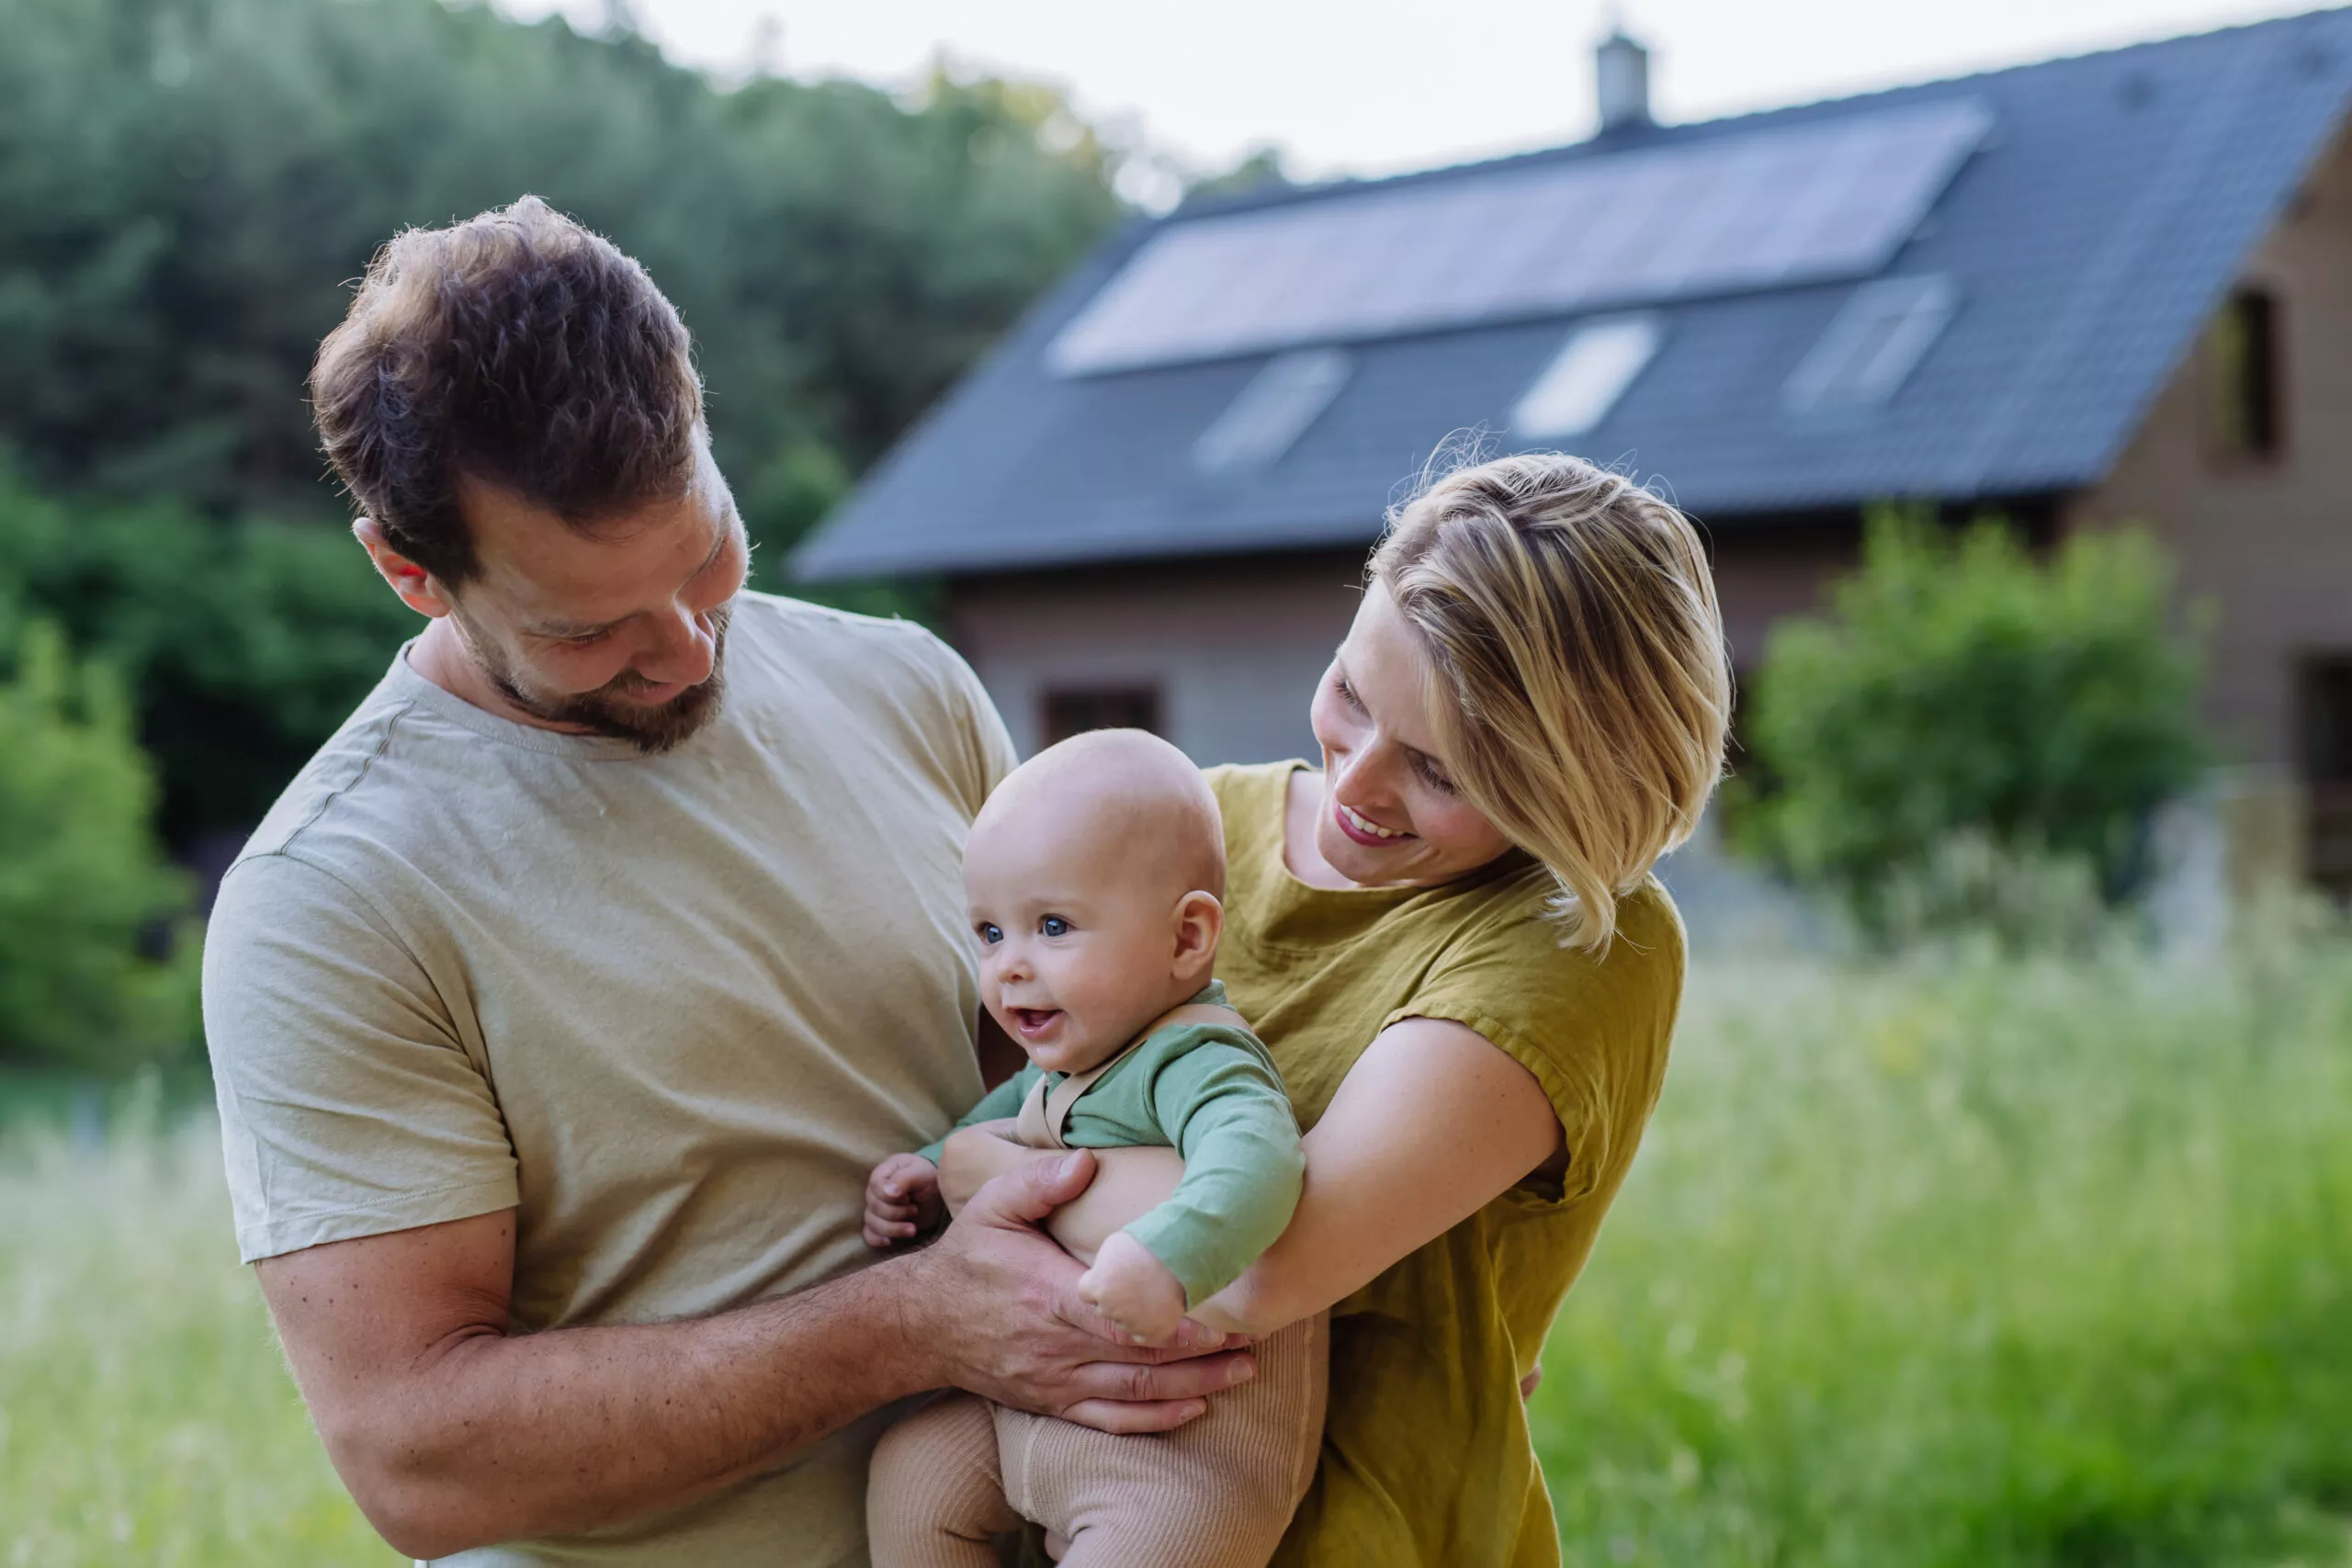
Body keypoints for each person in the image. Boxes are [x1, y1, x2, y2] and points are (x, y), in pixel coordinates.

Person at [198, 197, 1251, 1568]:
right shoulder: (331, 900)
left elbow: (1100, 1084)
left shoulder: (910, 685)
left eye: (707, 555)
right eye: (590, 629)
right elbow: (419, 1453)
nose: (691, 650)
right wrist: (913, 1319)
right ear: (412, 573)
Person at [938, 451, 1733, 1567]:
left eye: (1442, 773)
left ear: (1577, 783)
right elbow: (1023, 1074)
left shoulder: (1580, 939)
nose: (1356, 785)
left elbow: (1262, 1265)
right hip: (1050, 1500)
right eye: (1352, 694)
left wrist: (980, 1176)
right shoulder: (1190, 820)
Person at [862, 729, 1322, 1568]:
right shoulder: (1071, 1063)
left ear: (1187, 938)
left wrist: (1168, 1256)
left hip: (1181, 1462)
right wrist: (931, 1165)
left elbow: (1260, 1157)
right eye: (989, 933)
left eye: (1050, 925)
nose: (1009, 967)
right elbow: (1002, 1120)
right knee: (912, 1474)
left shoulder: (1195, 1056)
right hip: (1034, 1417)